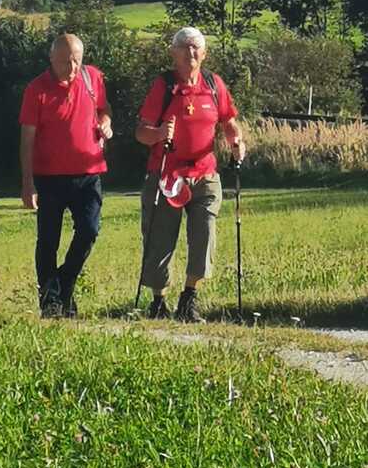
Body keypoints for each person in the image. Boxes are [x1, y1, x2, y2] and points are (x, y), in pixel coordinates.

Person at [135, 26, 245, 323]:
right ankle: (158, 301)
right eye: (184, 47)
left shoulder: (213, 84)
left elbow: (229, 121)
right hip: (167, 174)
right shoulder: (164, 86)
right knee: (159, 238)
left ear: (204, 53)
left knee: (204, 234)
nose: (190, 52)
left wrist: (236, 141)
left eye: (196, 47)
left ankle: (189, 298)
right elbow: (141, 132)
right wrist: (159, 133)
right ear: (173, 53)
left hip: (205, 173)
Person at [19, 33, 113, 318]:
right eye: (64, 62)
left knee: (89, 230)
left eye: (76, 61)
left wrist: (105, 123)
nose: (71, 68)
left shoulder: (93, 78)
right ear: (51, 58)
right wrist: (27, 183)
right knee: (48, 240)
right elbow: (27, 139)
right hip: (49, 177)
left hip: (89, 173)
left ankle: (63, 283)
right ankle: (50, 302)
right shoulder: (36, 89)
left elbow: (104, 109)